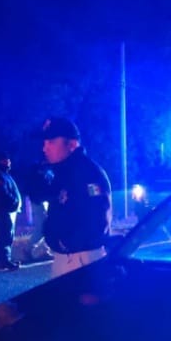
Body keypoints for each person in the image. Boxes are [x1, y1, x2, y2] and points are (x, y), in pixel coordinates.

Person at [39, 117, 111, 278]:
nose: (45, 148)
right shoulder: (62, 173)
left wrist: (67, 242)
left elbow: (98, 217)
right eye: (44, 143)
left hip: (82, 258)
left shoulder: (89, 173)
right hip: (65, 257)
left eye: (51, 142)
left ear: (71, 144)